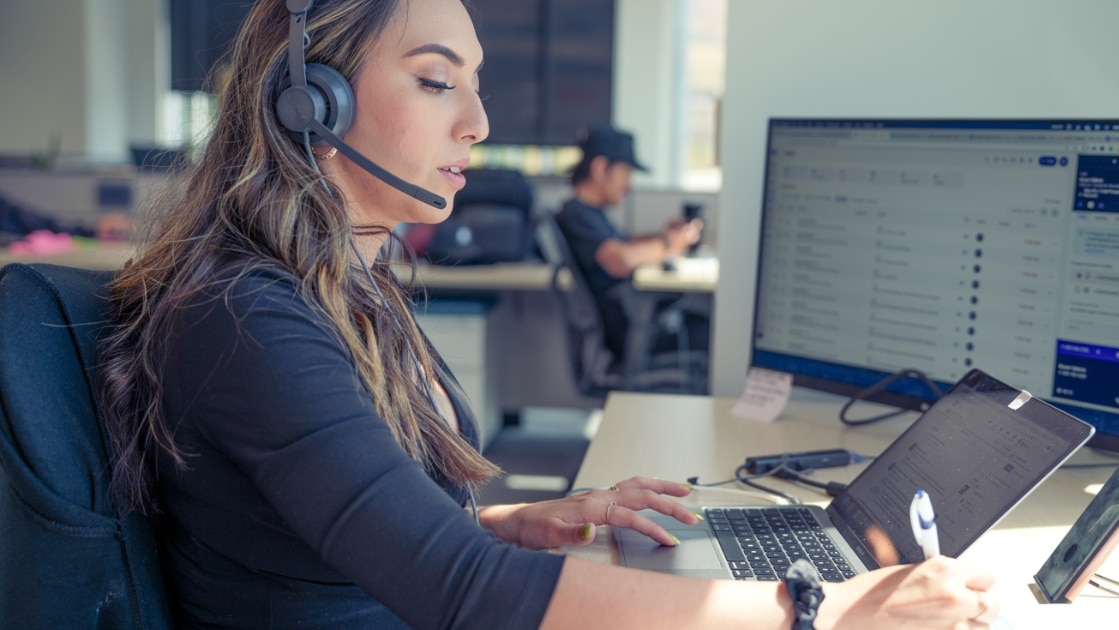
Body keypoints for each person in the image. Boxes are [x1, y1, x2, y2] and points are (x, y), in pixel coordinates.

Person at [96, 0, 1001, 628]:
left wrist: (511, 519)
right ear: (312, 103)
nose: (480, 121)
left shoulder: (345, 287)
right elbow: (465, 595)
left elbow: (334, 534)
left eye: (476, 82)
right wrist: (819, 609)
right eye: (436, 81)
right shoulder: (247, 318)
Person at [556, 125, 710, 367]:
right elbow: (620, 260)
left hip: (632, 331)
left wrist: (666, 238)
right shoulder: (577, 215)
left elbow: (624, 245)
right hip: (629, 338)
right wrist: (667, 242)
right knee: (707, 331)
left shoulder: (591, 214)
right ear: (599, 168)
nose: (629, 185)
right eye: (625, 173)